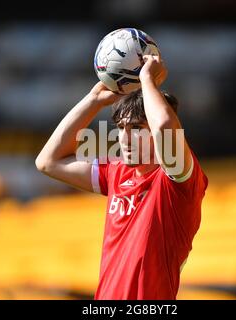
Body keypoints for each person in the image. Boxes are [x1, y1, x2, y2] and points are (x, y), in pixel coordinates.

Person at [35, 55, 208, 299]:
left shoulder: (178, 182)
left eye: (136, 128)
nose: (124, 138)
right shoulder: (117, 173)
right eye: (120, 128)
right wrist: (93, 100)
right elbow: (47, 162)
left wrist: (147, 81)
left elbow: (166, 128)